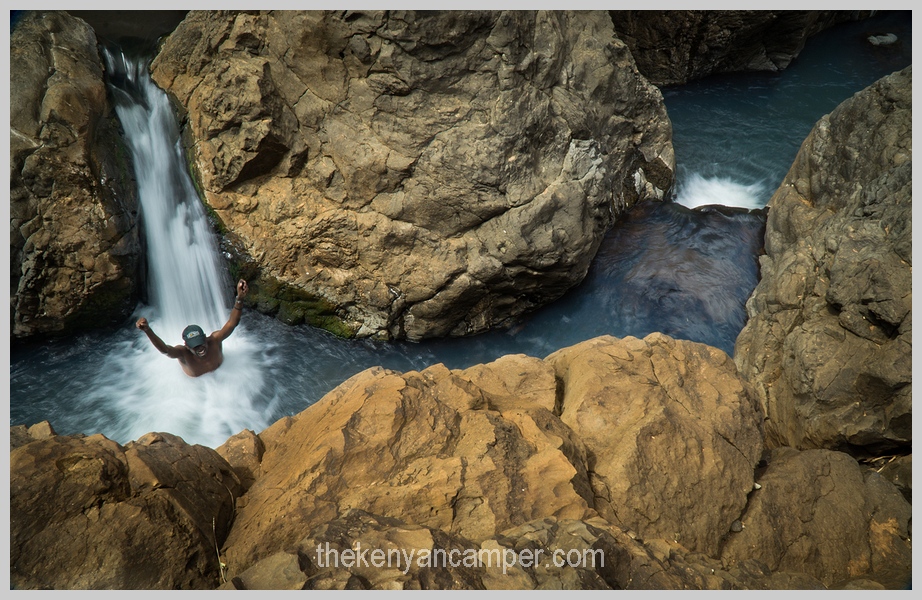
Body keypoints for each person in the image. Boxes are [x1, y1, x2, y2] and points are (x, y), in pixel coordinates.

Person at [136, 279, 249, 377]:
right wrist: (147, 330)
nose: (200, 348)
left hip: (226, 377)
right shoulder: (183, 353)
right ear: (187, 346)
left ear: (205, 338)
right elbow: (166, 350)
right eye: (195, 346)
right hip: (198, 391)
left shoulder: (214, 340)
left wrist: (239, 298)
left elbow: (232, 323)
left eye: (201, 343)